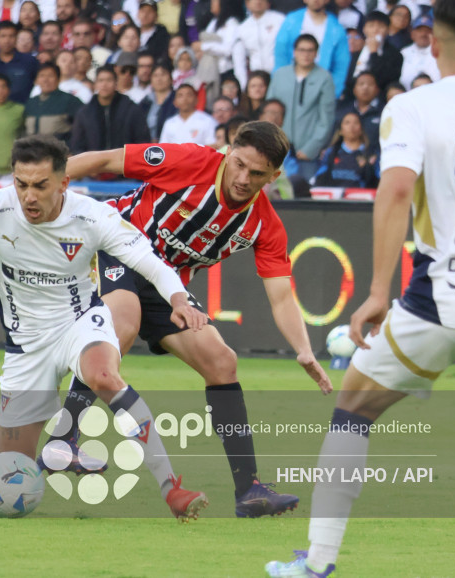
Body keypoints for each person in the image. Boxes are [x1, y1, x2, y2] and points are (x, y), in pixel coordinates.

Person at [265, 1, 455, 575]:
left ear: (432, 44)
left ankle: (316, 564)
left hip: (442, 297)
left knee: (353, 410)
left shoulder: (413, 106)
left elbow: (395, 192)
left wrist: (379, 291)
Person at [0, 134, 209, 522]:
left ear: (63, 182)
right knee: (10, 470)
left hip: (80, 322)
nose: (29, 196)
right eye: (21, 184)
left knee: (104, 376)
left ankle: (172, 488)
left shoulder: (93, 216)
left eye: (41, 185)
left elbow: (151, 262)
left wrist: (178, 299)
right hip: (25, 345)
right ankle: (35, 466)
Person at [45, 121, 333, 517]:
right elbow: (108, 159)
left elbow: (282, 295)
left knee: (221, 360)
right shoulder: (190, 161)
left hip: (166, 286)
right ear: (228, 151)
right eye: (239, 165)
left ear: (275, 177)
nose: (244, 179)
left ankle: (249, 490)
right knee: (123, 321)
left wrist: (304, 350)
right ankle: (62, 440)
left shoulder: (264, 223)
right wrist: (45, 184)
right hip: (115, 242)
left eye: (258, 174)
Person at [267, 34, 336, 183]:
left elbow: (327, 118)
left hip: (307, 152)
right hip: (279, 148)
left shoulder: (324, 78)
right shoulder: (280, 75)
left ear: (316, 53)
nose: (306, 54)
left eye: (310, 50)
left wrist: (311, 148)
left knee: (305, 194)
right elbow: (269, 110)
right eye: (302, 50)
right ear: (295, 52)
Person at [70, 65, 151, 154]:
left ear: (116, 83)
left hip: (123, 163)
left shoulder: (131, 109)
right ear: (95, 84)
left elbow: (142, 141)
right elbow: (77, 145)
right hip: (94, 165)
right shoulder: (85, 113)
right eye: (101, 80)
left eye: (109, 80)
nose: (104, 84)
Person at [25, 62, 83, 143]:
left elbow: (83, 127)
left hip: (60, 152)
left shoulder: (70, 101)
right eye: (42, 76)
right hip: (33, 152)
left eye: (50, 76)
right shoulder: (31, 103)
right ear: (37, 80)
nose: (45, 80)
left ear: (58, 79)